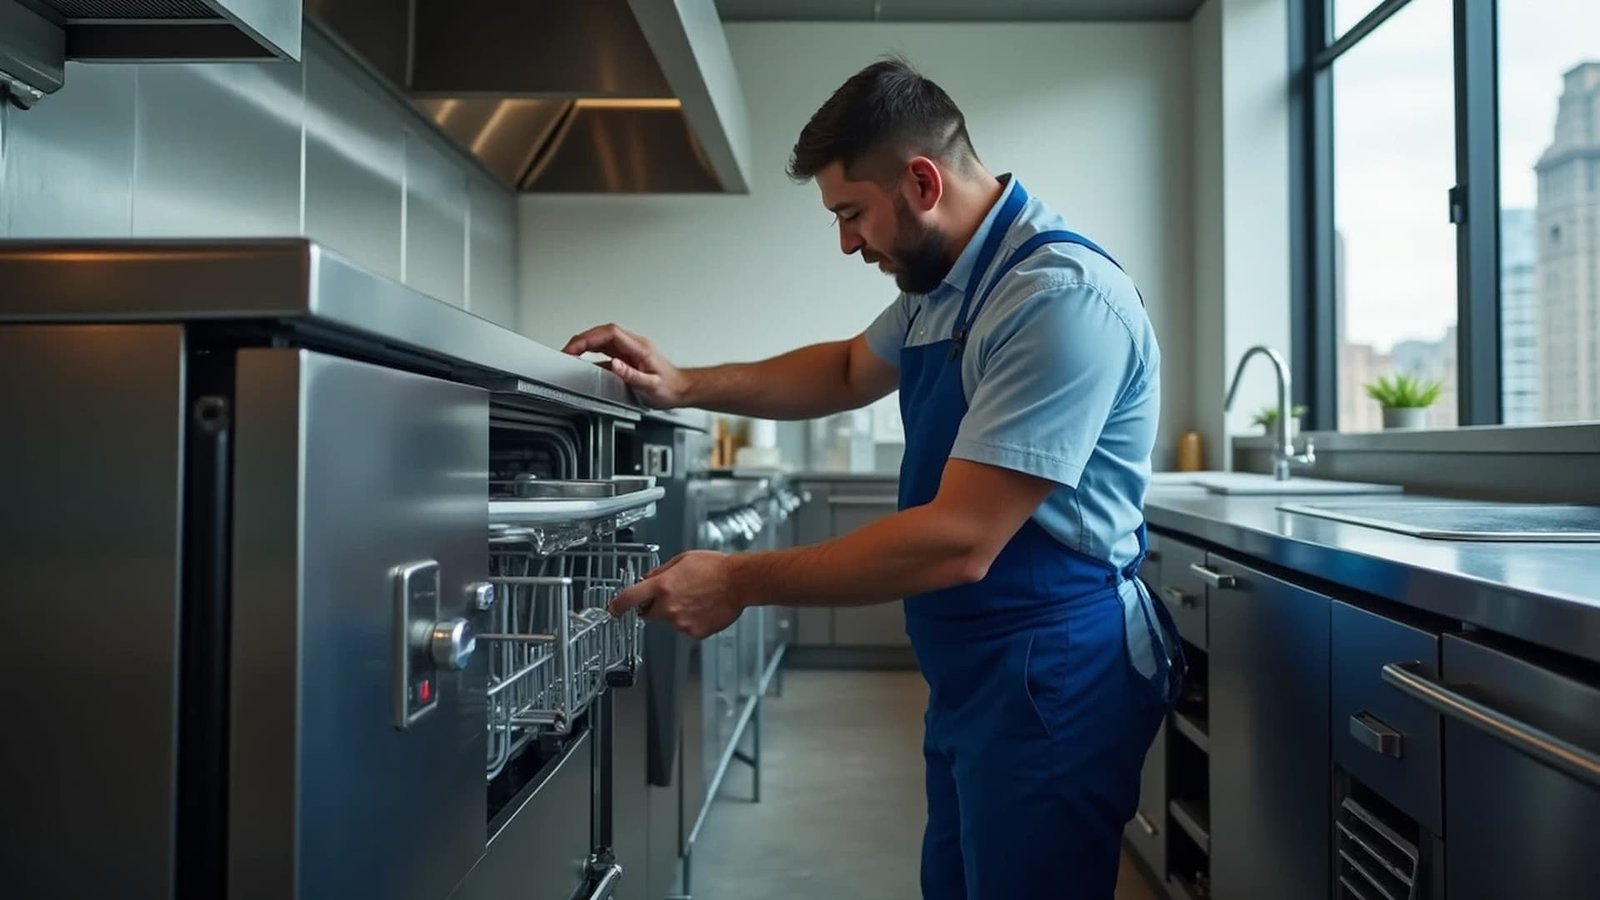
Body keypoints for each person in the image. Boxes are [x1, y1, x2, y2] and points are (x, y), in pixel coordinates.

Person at [563, 57, 1183, 900]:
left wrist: (741, 581)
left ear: (922, 181)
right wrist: (684, 383)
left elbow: (962, 541)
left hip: (1054, 676)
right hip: (976, 673)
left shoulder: (1056, 298)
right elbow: (852, 368)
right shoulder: (948, 281)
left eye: (852, 214)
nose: (849, 242)